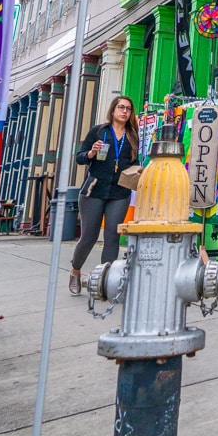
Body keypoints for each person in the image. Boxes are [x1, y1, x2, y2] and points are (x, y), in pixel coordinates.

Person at [69, 95, 139, 295]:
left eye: (128, 109)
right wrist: (91, 153)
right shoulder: (99, 131)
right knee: (89, 237)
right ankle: (75, 271)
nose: (125, 111)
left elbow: (134, 161)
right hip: (94, 190)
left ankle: (105, 280)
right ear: (113, 110)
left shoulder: (132, 135)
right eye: (121, 107)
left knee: (112, 236)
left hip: (120, 191)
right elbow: (80, 157)